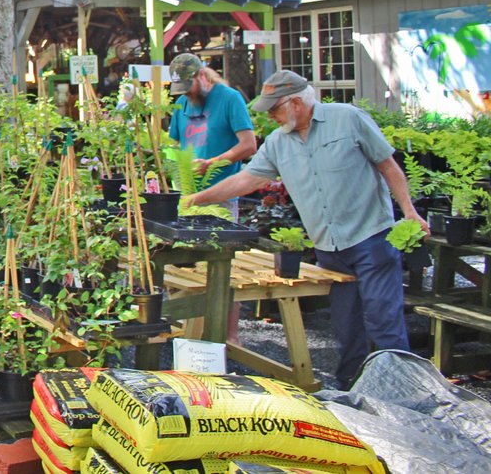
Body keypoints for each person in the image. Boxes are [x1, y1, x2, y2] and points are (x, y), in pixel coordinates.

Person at [185, 70, 428, 390]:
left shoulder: (349, 119)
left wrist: (410, 212)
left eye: (274, 108)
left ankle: (401, 392)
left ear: (296, 103)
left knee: (384, 321)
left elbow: (388, 166)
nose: (269, 116)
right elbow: (246, 180)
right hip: (329, 246)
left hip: (371, 236)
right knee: (345, 325)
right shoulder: (277, 143)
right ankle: (351, 391)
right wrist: (195, 199)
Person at [167, 53, 257, 219]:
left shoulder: (230, 98)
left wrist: (210, 164)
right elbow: (174, 145)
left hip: (221, 197)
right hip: (187, 194)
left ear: (202, 75)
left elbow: (249, 145)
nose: (186, 93)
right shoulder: (181, 103)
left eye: (188, 86)